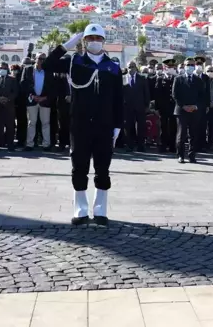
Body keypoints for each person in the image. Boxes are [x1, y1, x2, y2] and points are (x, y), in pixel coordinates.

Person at [42, 23, 124, 226]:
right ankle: (80, 210)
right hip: (80, 124)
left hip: (104, 125)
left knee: (102, 168)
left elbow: (118, 98)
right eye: (90, 39)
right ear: (84, 41)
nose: (94, 42)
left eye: (98, 39)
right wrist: (66, 46)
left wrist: (117, 125)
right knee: (79, 167)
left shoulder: (112, 67)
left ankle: (100, 211)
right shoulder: (74, 62)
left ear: (103, 41)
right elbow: (48, 65)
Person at [172, 57, 205, 163]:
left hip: (194, 111)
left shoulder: (199, 80)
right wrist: (183, 106)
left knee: (193, 134)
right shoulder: (178, 79)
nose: (189, 67)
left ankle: (192, 155)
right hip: (181, 111)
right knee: (181, 134)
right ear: (184, 66)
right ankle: (180, 155)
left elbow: (202, 96)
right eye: (187, 65)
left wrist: (195, 106)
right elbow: (175, 95)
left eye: (191, 65)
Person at [0, 62, 18, 150]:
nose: (3, 70)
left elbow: (15, 92)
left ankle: (10, 144)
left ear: (7, 69)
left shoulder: (12, 79)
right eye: (1, 68)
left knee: (10, 126)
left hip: (9, 106)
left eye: (5, 68)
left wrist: (8, 99)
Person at [123, 61, 150, 152]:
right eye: (129, 67)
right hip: (127, 107)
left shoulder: (142, 78)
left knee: (141, 127)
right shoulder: (123, 78)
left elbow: (146, 93)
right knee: (128, 126)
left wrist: (147, 105)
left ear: (136, 68)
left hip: (140, 106)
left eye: (133, 66)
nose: (131, 69)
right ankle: (130, 145)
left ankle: (141, 145)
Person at [155, 59, 177, 153]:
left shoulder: (177, 78)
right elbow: (157, 94)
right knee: (163, 127)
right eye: (168, 67)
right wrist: (156, 108)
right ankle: (163, 146)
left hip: (174, 107)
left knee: (173, 127)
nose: (170, 69)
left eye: (172, 67)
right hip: (163, 108)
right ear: (165, 68)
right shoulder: (160, 79)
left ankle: (172, 146)